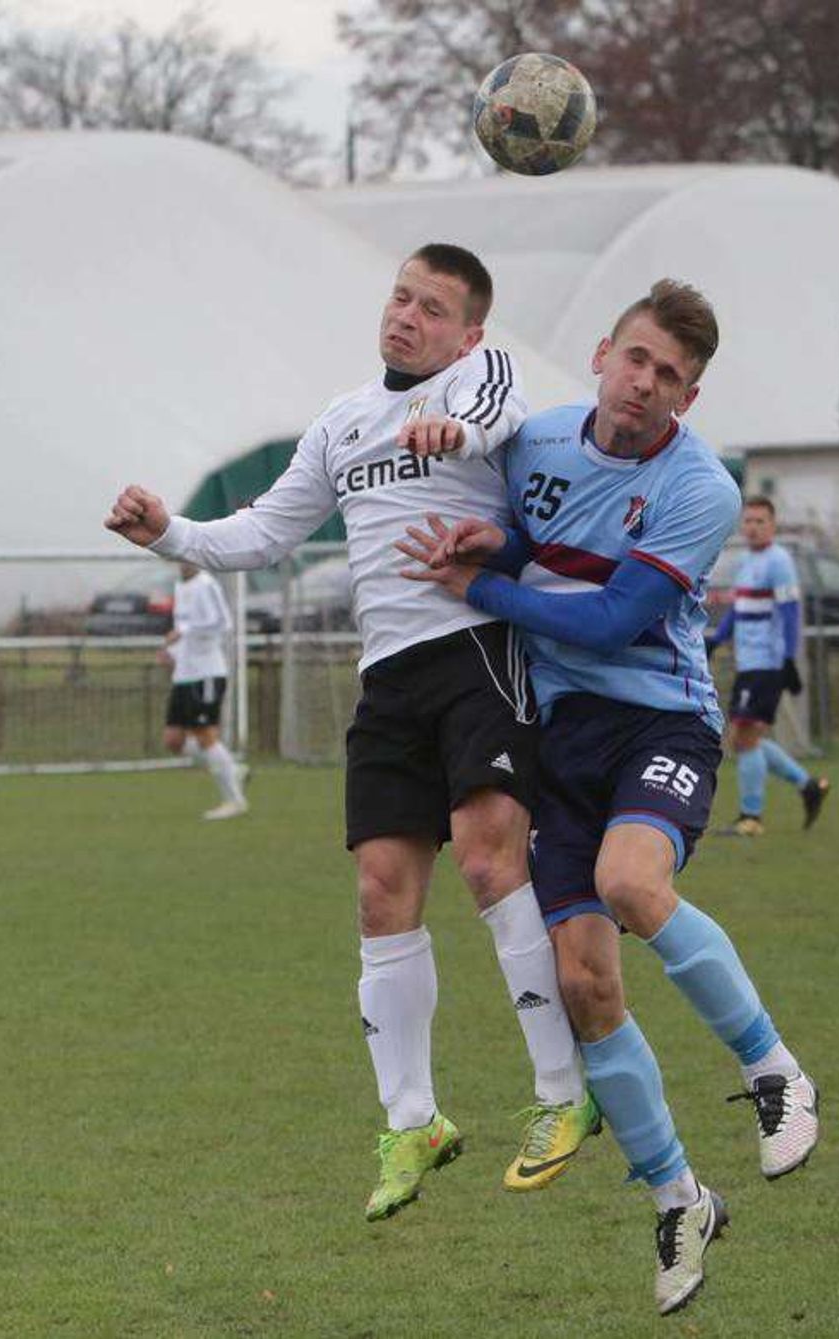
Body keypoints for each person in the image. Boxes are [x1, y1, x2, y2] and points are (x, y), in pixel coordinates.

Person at [104, 243, 597, 1223]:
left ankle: (560, 1093)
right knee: (381, 892)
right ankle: (411, 1119)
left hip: (475, 652)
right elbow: (263, 533)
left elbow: (499, 416)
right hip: (387, 681)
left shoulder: (478, 378)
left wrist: (449, 432)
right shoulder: (341, 421)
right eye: (402, 297)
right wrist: (168, 529)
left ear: (468, 329)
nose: (407, 316)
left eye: (432, 307)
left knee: (492, 864)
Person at [397, 280, 820, 1316]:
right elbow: (528, 537)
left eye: (668, 375)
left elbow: (615, 619)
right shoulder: (536, 444)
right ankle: (679, 1195)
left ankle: (774, 1069)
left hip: (660, 724)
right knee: (585, 985)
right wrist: (485, 545)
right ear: (602, 352)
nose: (644, 384)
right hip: (561, 741)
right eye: (635, 358)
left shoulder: (701, 487)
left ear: (690, 394)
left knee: (631, 882)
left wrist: (481, 591)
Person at [705, 497, 830, 836]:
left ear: (772, 526)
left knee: (742, 737)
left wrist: (788, 658)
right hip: (749, 661)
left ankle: (751, 818)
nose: (753, 527)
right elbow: (738, 608)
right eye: (748, 521)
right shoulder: (745, 562)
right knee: (749, 738)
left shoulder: (779, 561)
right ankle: (808, 786)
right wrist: (717, 639)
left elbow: (790, 613)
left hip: (767, 662)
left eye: (761, 521)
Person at [159, 560, 248, 820]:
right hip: (184, 674)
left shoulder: (206, 585)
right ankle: (230, 767)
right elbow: (184, 630)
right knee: (173, 740)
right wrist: (172, 651)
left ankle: (234, 801)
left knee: (204, 733)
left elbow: (223, 623)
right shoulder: (180, 585)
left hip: (206, 672)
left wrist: (182, 632)